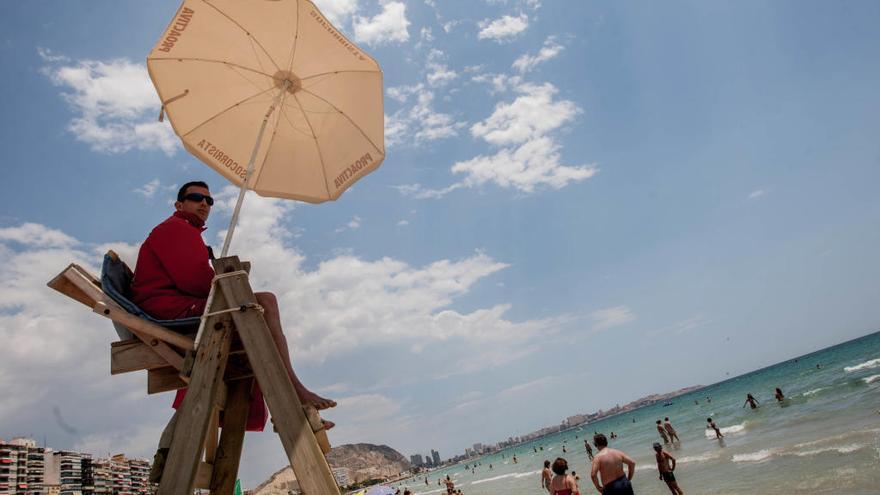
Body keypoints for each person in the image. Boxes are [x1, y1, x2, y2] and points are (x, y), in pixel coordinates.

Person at [138, 182, 335, 481]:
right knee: (264, 303)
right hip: (170, 312)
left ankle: (293, 396)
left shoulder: (186, 232)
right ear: (179, 205)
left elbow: (199, 281)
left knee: (259, 314)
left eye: (209, 199)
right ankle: (295, 393)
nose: (204, 203)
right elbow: (197, 284)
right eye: (195, 198)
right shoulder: (173, 230)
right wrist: (221, 278)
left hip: (178, 308)